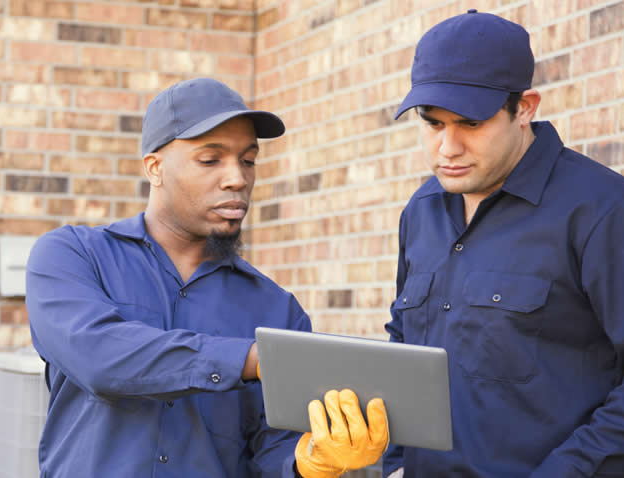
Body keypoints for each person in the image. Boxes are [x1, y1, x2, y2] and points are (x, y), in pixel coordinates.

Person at [26, 77, 389, 478]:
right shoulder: (72, 256)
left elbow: (274, 449)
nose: (237, 178)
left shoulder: (276, 309)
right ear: (155, 167)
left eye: (248, 160)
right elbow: (99, 357)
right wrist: (251, 359)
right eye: (210, 159)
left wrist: (313, 461)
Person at [384, 9, 624, 478]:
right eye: (433, 124)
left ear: (524, 108)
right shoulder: (420, 212)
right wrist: (396, 462)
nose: (448, 147)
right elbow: (403, 343)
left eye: (470, 124)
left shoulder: (606, 212)